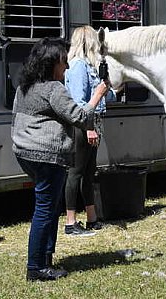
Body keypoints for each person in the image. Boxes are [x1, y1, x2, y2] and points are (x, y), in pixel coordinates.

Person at [12, 37, 108, 281]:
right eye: (64, 62)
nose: (66, 67)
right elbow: (80, 116)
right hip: (47, 155)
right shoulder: (53, 89)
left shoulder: (25, 86)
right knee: (45, 209)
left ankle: (45, 258)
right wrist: (97, 95)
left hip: (24, 152)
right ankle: (35, 267)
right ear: (52, 63)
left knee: (51, 206)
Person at [63, 26, 116, 236]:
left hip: (92, 123)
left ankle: (92, 218)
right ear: (89, 42)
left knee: (88, 172)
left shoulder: (88, 66)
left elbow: (102, 96)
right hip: (82, 126)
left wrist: (112, 90)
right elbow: (78, 102)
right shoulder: (77, 67)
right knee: (75, 173)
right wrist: (88, 128)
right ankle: (70, 222)